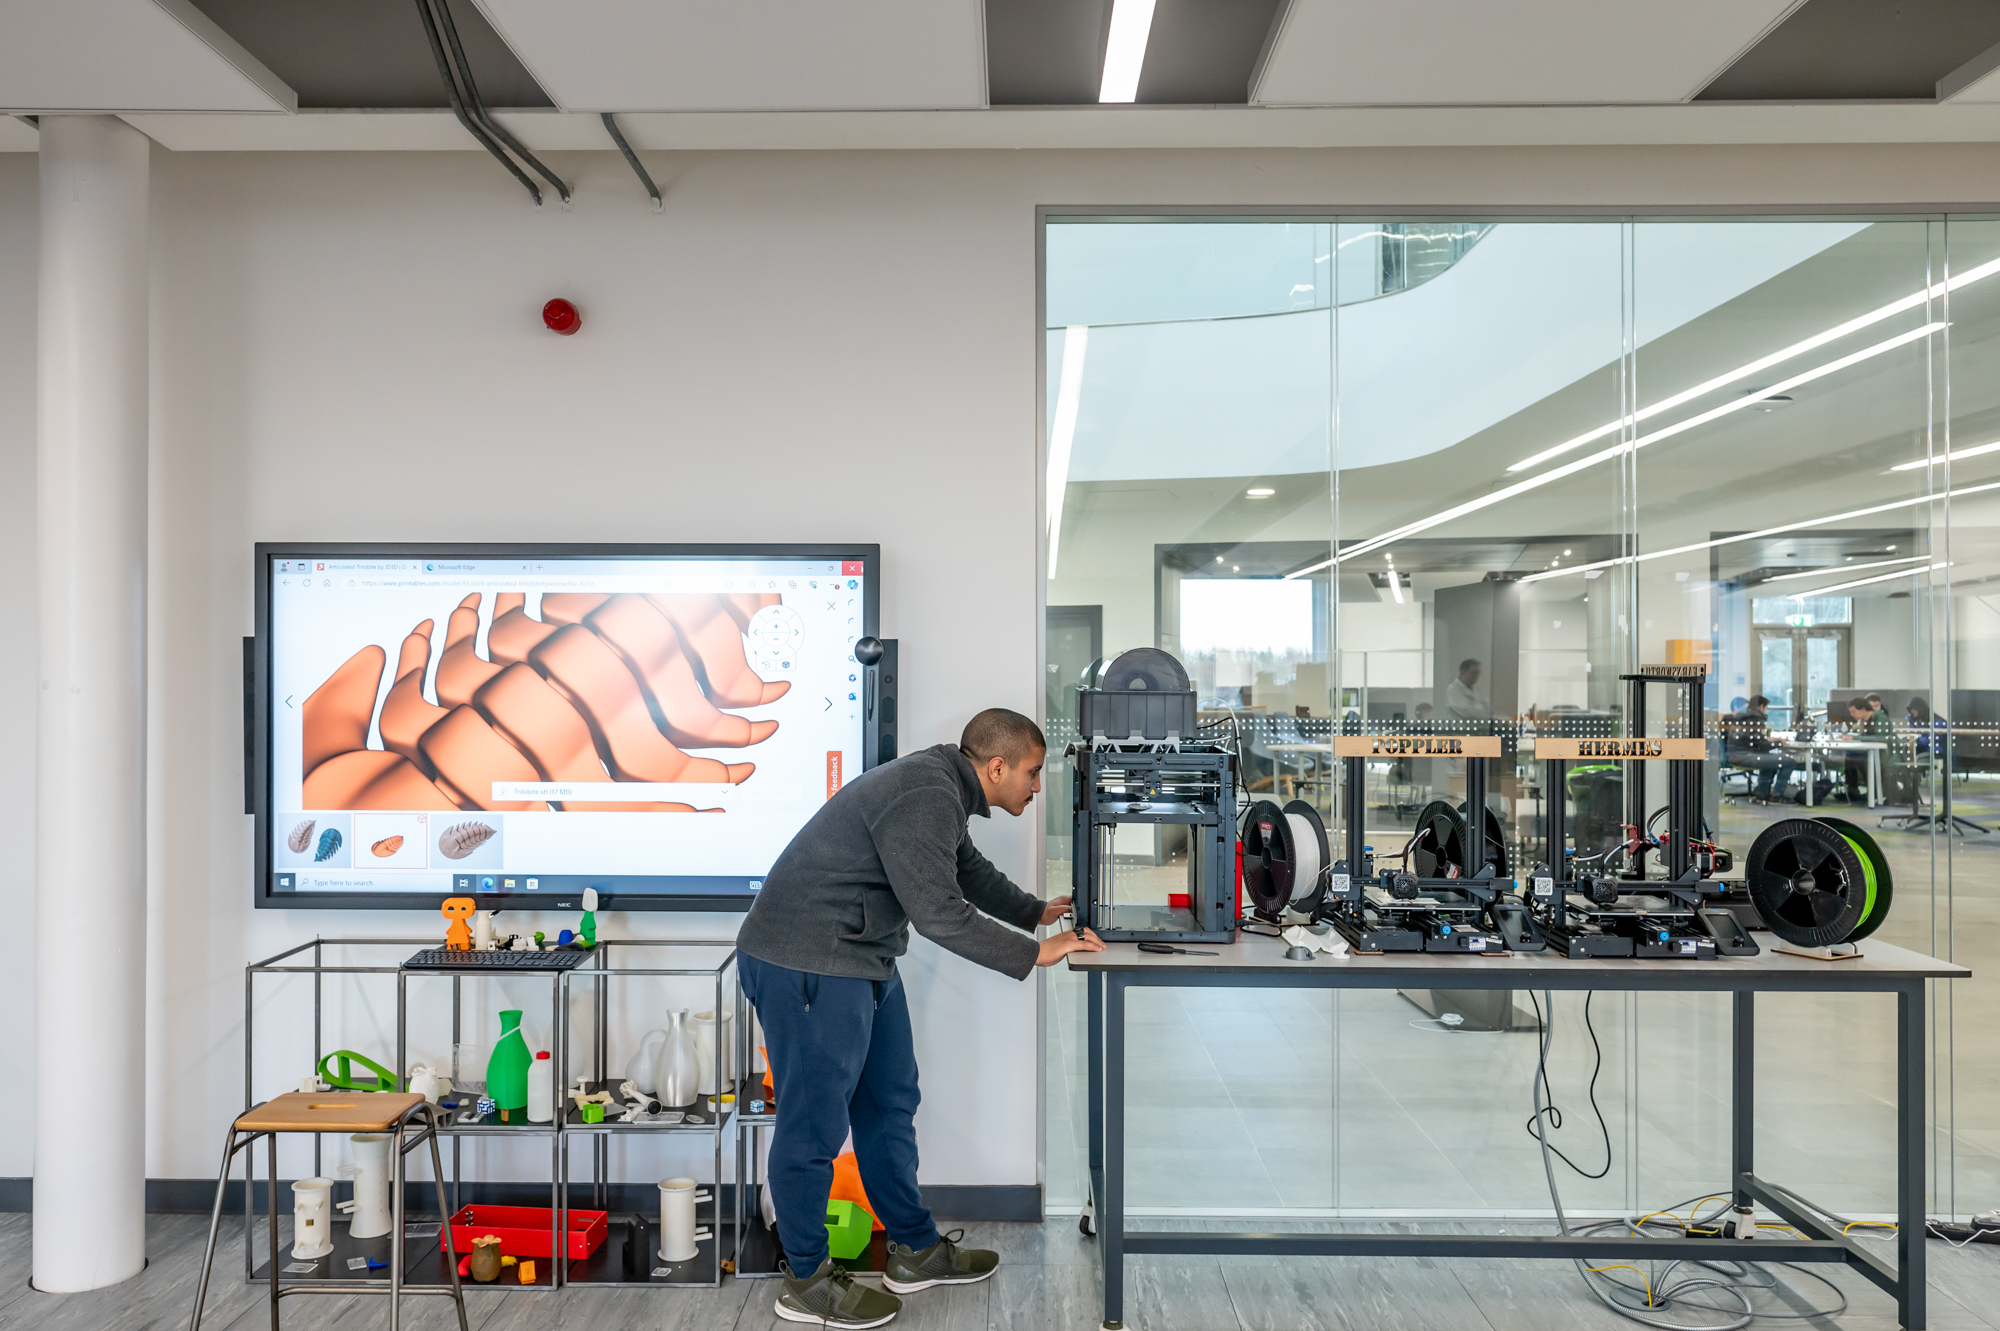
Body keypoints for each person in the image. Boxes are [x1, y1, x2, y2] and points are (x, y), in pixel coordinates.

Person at [735, 708, 1105, 1328]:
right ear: (997, 767)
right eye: (1033, 773)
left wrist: (1034, 912)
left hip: (860, 956)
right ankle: (805, 1280)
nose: (1037, 787)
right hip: (806, 960)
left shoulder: (943, 788)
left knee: (889, 1102)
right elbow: (937, 912)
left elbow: (964, 870)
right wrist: (1036, 952)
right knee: (813, 1127)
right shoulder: (926, 792)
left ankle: (912, 1249)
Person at [1723, 695, 1787, 800]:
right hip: (1744, 756)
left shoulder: (1741, 718)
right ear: (1761, 706)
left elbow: (1754, 740)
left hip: (1736, 754)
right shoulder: (1753, 719)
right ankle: (1776, 796)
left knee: (1770, 759)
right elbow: (1761, 745)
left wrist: (1771, 740)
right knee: (1786, 762)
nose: (1766, 712)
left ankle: (1763, 792)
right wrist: (1779, 743)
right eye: (1766, 708)